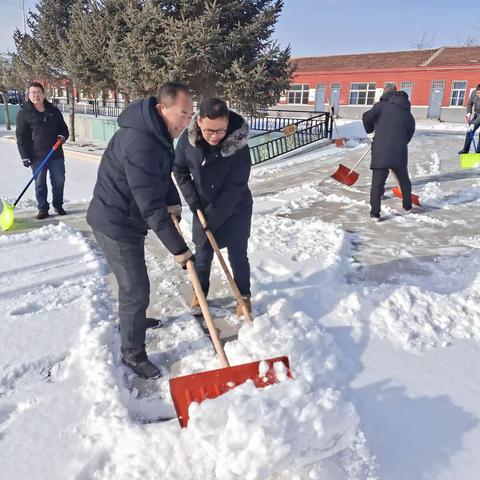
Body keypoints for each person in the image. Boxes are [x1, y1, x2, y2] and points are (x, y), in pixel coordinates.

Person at [86, 81, 194, 378]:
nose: (186, 123)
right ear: (162, 108)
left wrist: (173, 202)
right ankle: (132, 353)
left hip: (127, 218)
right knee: (135, 288)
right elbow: (150, 208)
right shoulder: (141, 142)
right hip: (115, 223)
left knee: (135, 285)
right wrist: (181, 251)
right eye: (182, 115)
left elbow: (161, 175)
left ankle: (133, 320)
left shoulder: (157, 133)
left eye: (190, 116)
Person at [173, 97, 253, 316]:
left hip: (236, 208)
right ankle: (199, 296)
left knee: (238, 255)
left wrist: (210, 222)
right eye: (209, 131)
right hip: (203, 207)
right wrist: (194, 201)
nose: (214, 136)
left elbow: (234, 188)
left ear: (227, 122)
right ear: (199, 121)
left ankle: (243, 296)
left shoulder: (238, 145)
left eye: (220, 131)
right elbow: (179, 170)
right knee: (203, 254)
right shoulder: (187, 141)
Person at [16, 82, 69, 219]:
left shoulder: (53, 111)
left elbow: (64, 129)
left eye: (38, 92)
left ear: (44, 94)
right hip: (36, 156)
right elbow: (21, 137)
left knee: (59, 181)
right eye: (32, 92)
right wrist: (24, 156)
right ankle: (43, 208)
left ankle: (58, 205)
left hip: (56, 153)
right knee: (40, 183)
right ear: (29, 95)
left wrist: (62, 136)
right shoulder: (24, 114)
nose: (35, 95)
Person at [362, 90, 416, 220]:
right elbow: (408, 137)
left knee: (377, 184)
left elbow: (366, 117)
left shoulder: (381, 107)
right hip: (400, 154)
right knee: (404, 181)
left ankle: (375, 213)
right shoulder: (409, 117)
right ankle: (407, 206)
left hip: (381, 153)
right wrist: (399, 143)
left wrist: (370, 132)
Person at [458, 84, 480, 154]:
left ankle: (478, 152)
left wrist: (474, 124)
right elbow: (469, 104)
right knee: (469, 132)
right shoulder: (474, 93)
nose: (478, 94)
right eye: (477, 92)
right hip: (477, 115)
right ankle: (465, 150)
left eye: (479, 93)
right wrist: (469, 113)